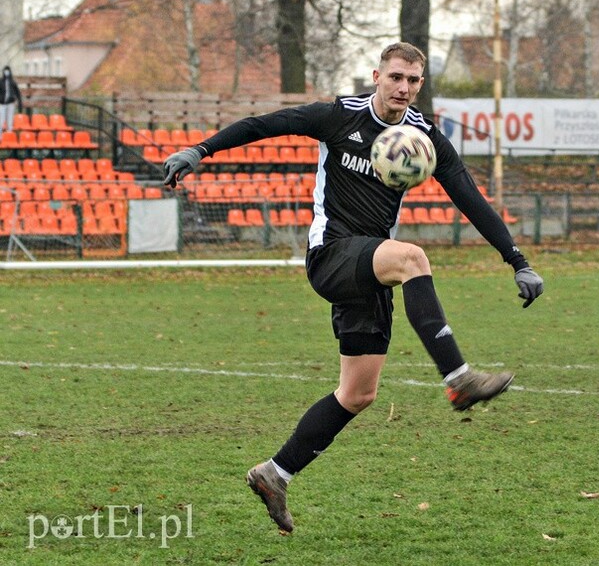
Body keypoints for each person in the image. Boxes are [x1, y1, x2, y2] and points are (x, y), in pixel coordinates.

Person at [162, 42, 544, 533]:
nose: (403, 88)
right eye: (396, 77)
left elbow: (469, 195)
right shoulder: (339, 117)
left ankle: (275, 473)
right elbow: (265, 124)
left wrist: (517, 260)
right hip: (332, 255)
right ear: (376, 76)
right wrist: (200, 150)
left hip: (370, 272)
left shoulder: (423, 139)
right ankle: (458, 379)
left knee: (358, 393)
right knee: (413, 257)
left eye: (413, 80)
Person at [1, 66, 23, 132]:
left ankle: (9, 136)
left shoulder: (13, 82)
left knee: (9, 121)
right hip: (2, 104)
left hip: (10, 103)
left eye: (7, 71)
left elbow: (18, 93)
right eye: (5, 70)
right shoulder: (0, 81)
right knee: (1, 121)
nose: (6, 72)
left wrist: (20, 105)